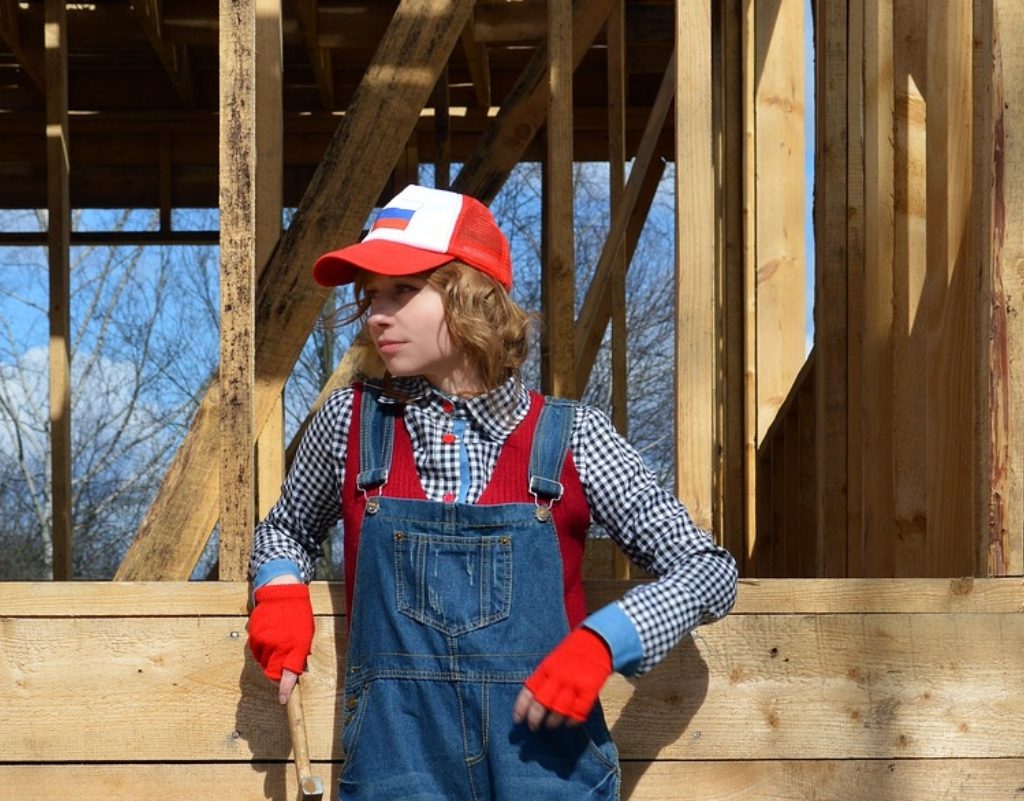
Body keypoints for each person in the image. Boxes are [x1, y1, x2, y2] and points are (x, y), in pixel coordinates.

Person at [246, 184, 738, 801]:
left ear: (471, 294)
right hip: (399, 771)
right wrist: (279, 587)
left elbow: (708, 571)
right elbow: (285, 530)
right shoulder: (350, 424)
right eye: (371, 294)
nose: (376, 312)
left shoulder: (571, 438)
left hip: (548, 772)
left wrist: (603, 643)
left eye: (403, 289)